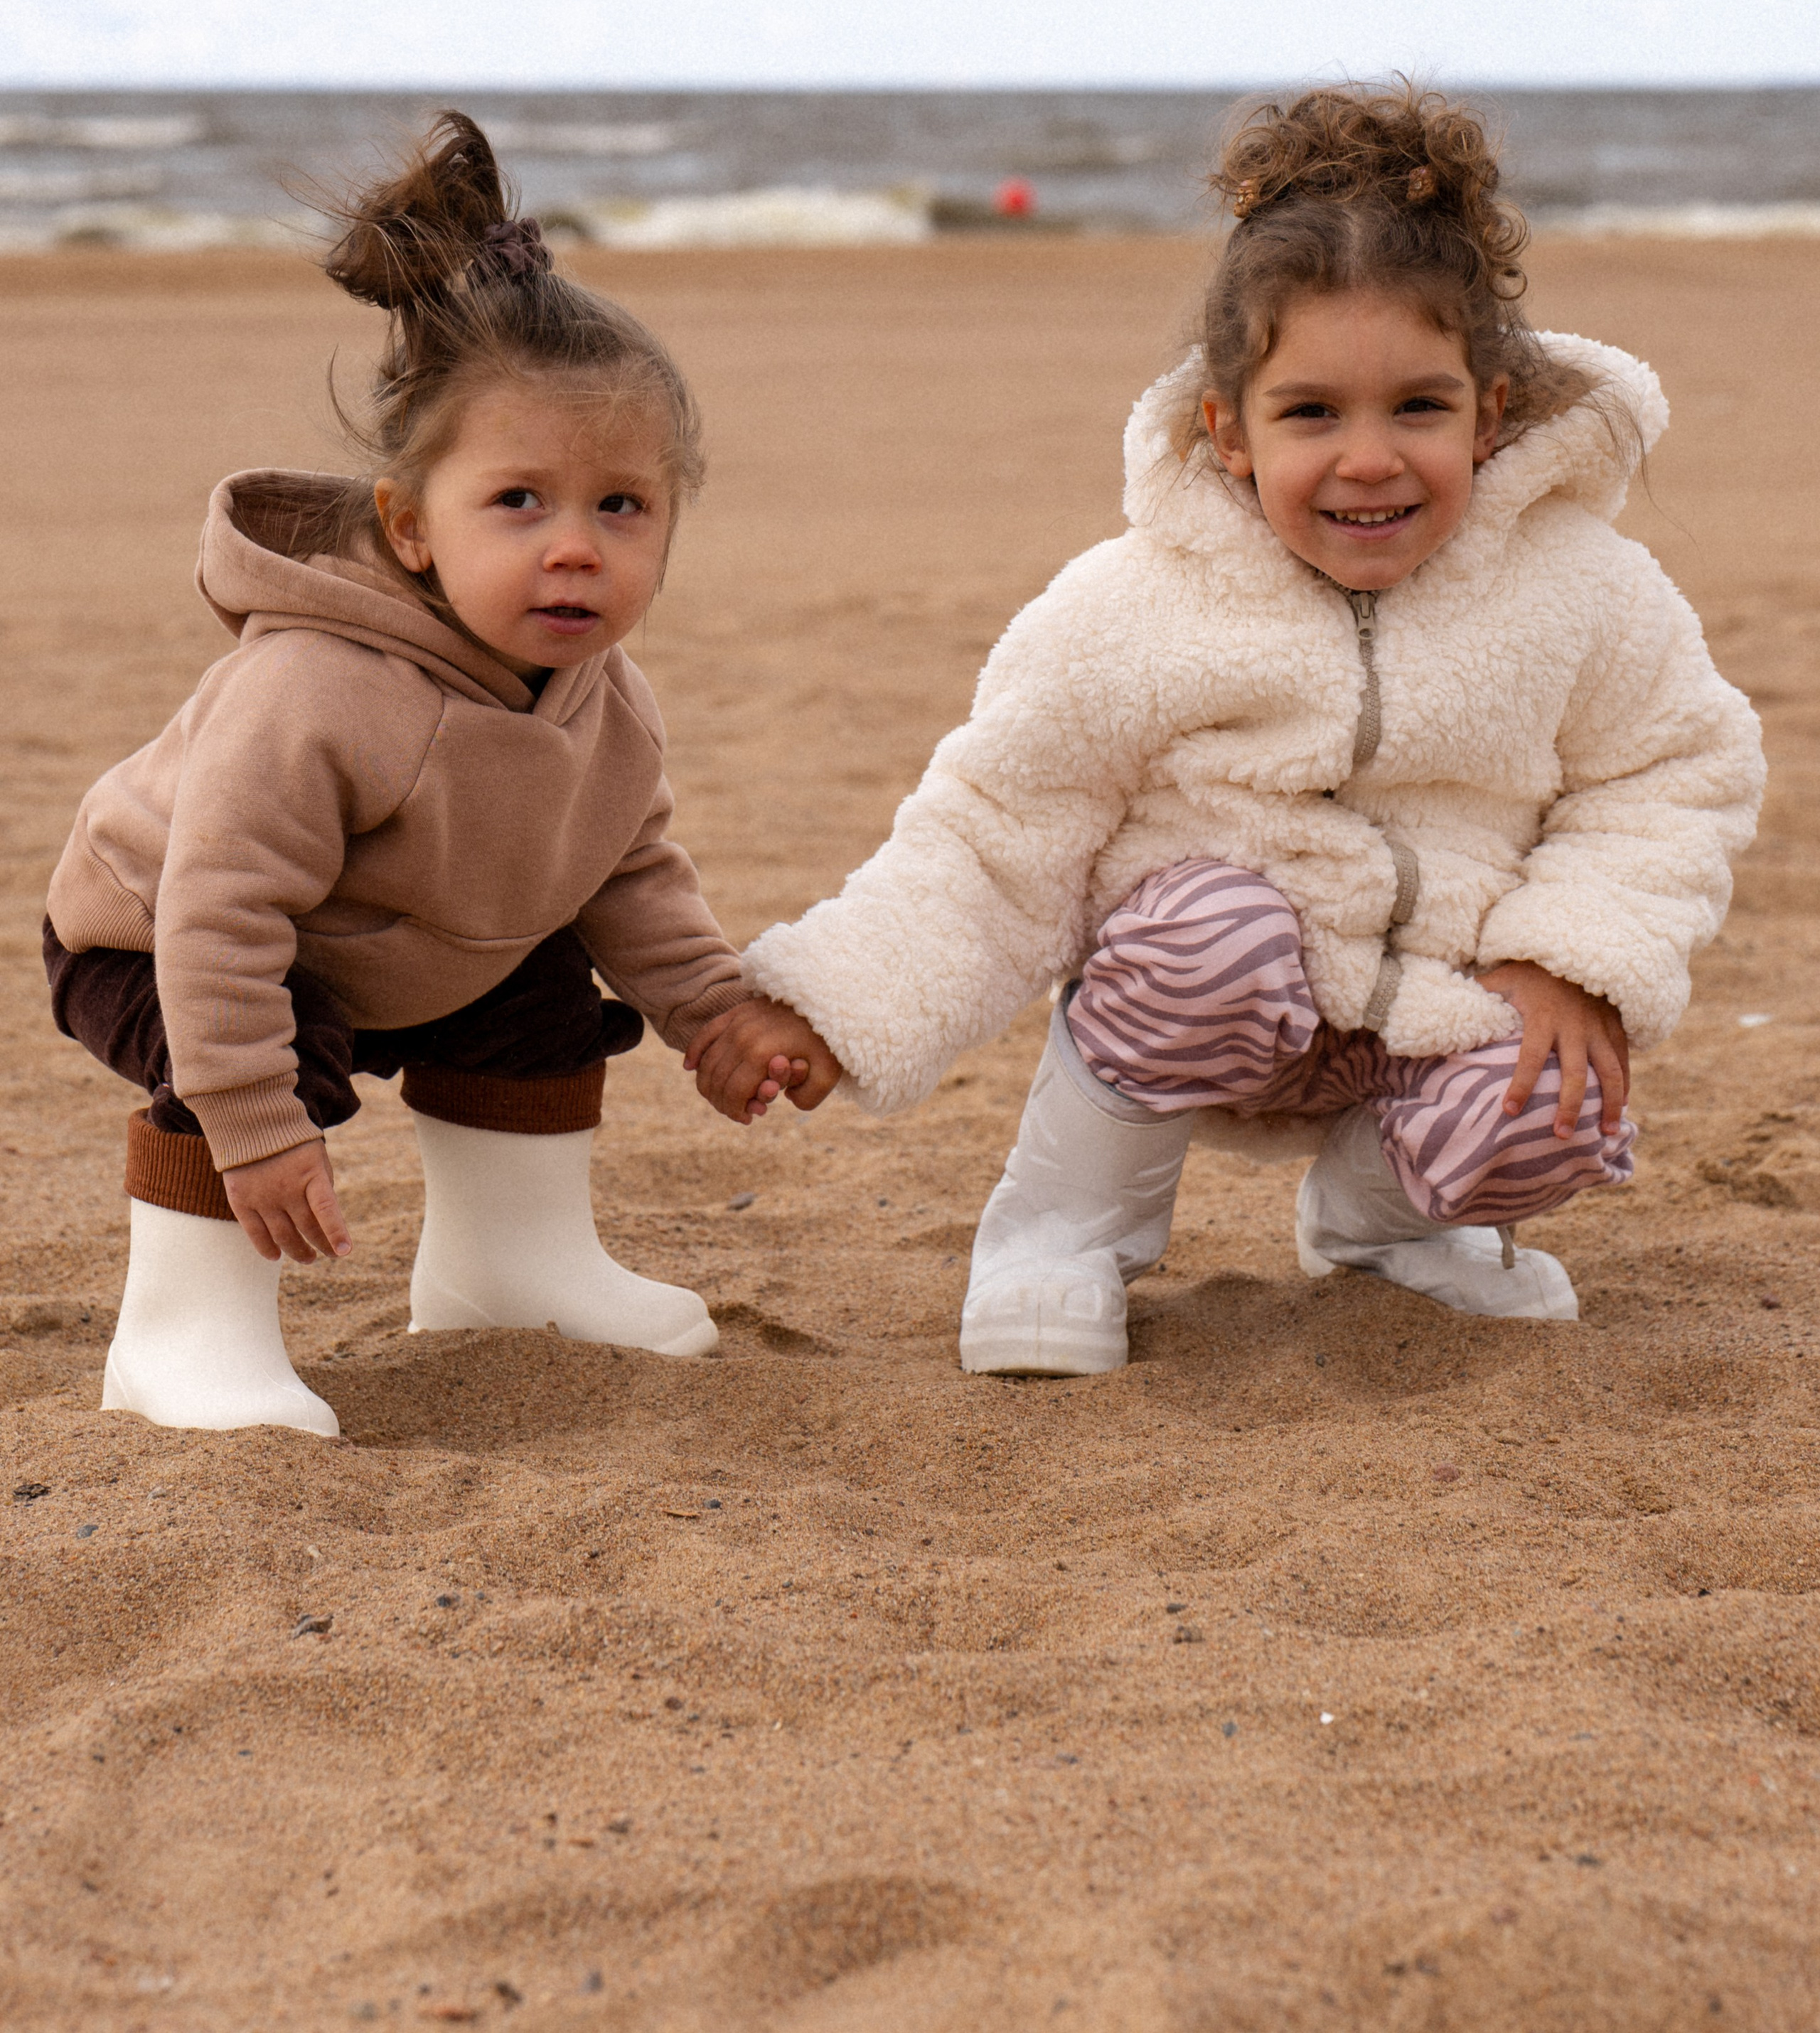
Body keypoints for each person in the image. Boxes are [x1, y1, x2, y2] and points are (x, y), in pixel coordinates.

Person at [692, 82, 1765, 1375]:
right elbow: (993, 832)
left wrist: (1573, 957)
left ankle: (1385, 1225)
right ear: (1231, 429)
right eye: (1312, 412)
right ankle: (1063, 1233)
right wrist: (834, 1003)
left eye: (1418, 408)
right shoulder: (1134, 606)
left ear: (1489, 414)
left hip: (1432, 1006)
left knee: (1562, 1093)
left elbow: (1674, 770)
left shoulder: (1581, 589)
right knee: (1211, 929)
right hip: (1207, 996)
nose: (1368, 457)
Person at [46, 112, 830, 1437]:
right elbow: (219, 910)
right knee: (271, 1045)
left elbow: (626, 867)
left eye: (621, 507)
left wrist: (711, 1009)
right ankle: (182, 1337)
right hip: (164, 936)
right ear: (411, 527)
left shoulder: (604, 700)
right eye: (518, 502)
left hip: (408, 945)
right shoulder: (315, 688)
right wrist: (254, 1120)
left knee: (540, 989)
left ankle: (505, 1269)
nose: (574, 548)